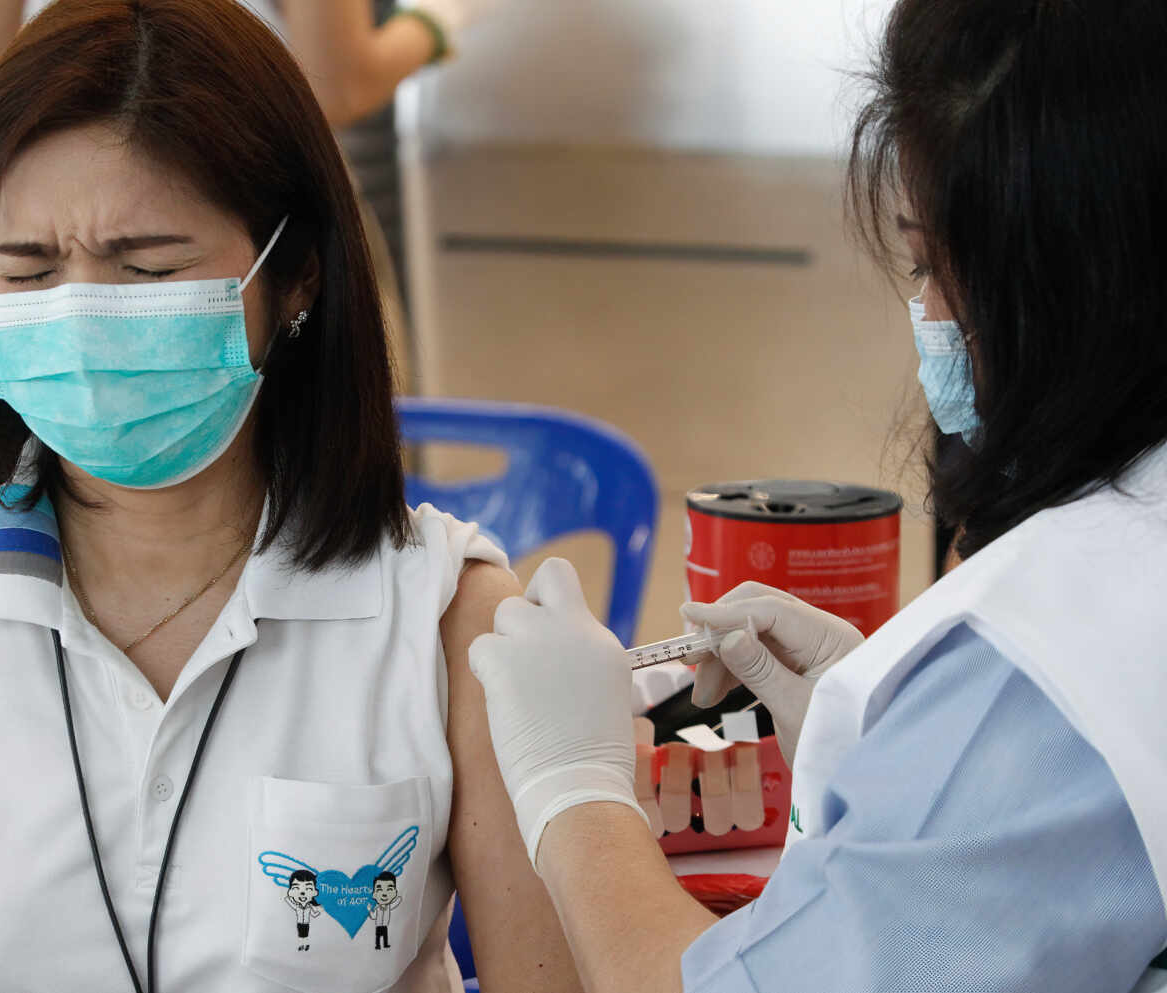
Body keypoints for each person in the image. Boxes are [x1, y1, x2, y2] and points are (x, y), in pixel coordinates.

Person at [0, 3, 582, 991]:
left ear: (295, 277)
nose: (84, 313)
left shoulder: (445, 625)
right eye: (30, 268)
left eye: (149, 268)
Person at [466, 1, 1167, 991]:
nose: (922, 311)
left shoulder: (1047, 666)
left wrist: (574, 789)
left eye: (929, 263)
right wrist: (886, 738)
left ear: (1060, 270)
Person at [0, 0, 503, 396]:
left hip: (77, 196)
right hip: (248, 192)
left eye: (151, 267)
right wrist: (434, 25)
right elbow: (335, 85)